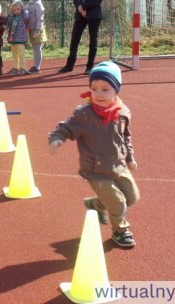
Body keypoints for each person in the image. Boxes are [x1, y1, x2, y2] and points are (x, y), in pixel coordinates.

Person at [48, 61, 140, 247]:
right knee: (117, 202)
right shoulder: (85, 114)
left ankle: (96, 205)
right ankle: (120, 231)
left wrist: (130, 156)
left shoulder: (123, 112)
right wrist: (57, 138)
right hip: (96, 170)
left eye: (105, 89)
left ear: (117, 91)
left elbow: (125, 136)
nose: (98, 93)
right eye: (94, 88)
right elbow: (65, 128)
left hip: (119, 165)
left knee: (131, 197)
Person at [58, 0, 102, 75]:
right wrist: (80, 8)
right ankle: (69, 65)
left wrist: (83, 7)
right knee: (74, 40)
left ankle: (89, 67)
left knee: (93, 42)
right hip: (80, 15)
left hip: (94, 15)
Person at [6, 0, 30, 75]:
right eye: (14, 10)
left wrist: (25, 10)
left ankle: (23, 68)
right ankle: (15, 68)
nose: (16, 11)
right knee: (14, 54)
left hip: (20, 38)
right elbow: (8, 24)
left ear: (21, 8)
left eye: (18, 9)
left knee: (21, 54)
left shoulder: (23, 15)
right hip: (13, 38)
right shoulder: (12, 17)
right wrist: (10, 16)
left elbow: (27, 17)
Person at [26, 0, 47, 74]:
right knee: (35, 49)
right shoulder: (29, 3)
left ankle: (37, 67)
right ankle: (35, 66)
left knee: (37, 49)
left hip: (37, 30)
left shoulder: (38, 5)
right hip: (31, 30)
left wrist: (37, 30)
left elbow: (40, 19)